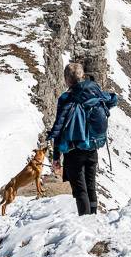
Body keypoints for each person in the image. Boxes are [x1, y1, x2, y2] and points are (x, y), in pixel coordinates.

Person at [46, 62, 118, 215]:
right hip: (92, 146)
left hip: (74, 150)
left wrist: (56, 157)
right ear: (82, 75)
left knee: (80, 190)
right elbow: (112, 100)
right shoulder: (95, 90)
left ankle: (86, 223)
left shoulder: (66, 98)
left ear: (67, 79)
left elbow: (60, 127)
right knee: (91, 186)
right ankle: (93, 218)